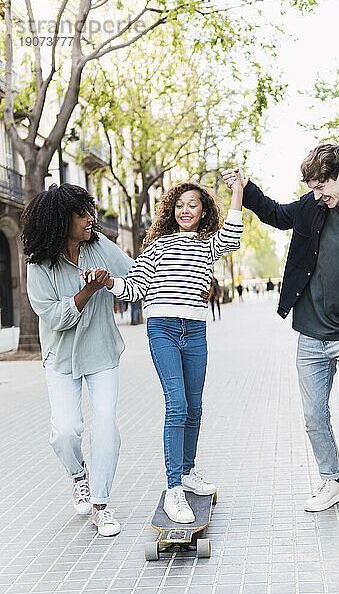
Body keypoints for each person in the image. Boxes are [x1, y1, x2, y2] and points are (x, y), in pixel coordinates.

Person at [223, 143, 339, 544]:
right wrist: (247, 189)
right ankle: (331, 480)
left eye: (323, 187)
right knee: (313, 417)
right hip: (311, 334)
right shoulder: (313, 207)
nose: (318, 195)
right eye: (313, 188)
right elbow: (274, 214)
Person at [99, 181, 243, 523]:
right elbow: (134, 288)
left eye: (193, 205)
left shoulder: (209, 244)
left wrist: (238, 190)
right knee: (176, 404)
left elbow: (234, 235)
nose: (185, 210)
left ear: (204, 211)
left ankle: (189, 471)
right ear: (171, 210)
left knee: (195, 406)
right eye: (179, 205)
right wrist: (109, 283)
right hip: (162, 328)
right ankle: (174, 488)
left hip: (195, 331)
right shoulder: (156, 245)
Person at [22, 183, 132, 537]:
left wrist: (109, 281)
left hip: (100, 350)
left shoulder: (100, 247)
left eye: (89, 211)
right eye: (81, 214)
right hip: (60, 357)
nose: (90, 218)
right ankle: (78, 476)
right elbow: (54, 317)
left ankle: (101, 504)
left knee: (105, 424)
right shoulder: (40, 266)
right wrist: (88, 290)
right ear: (59, 221)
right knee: (66, 430)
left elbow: (135, 273)